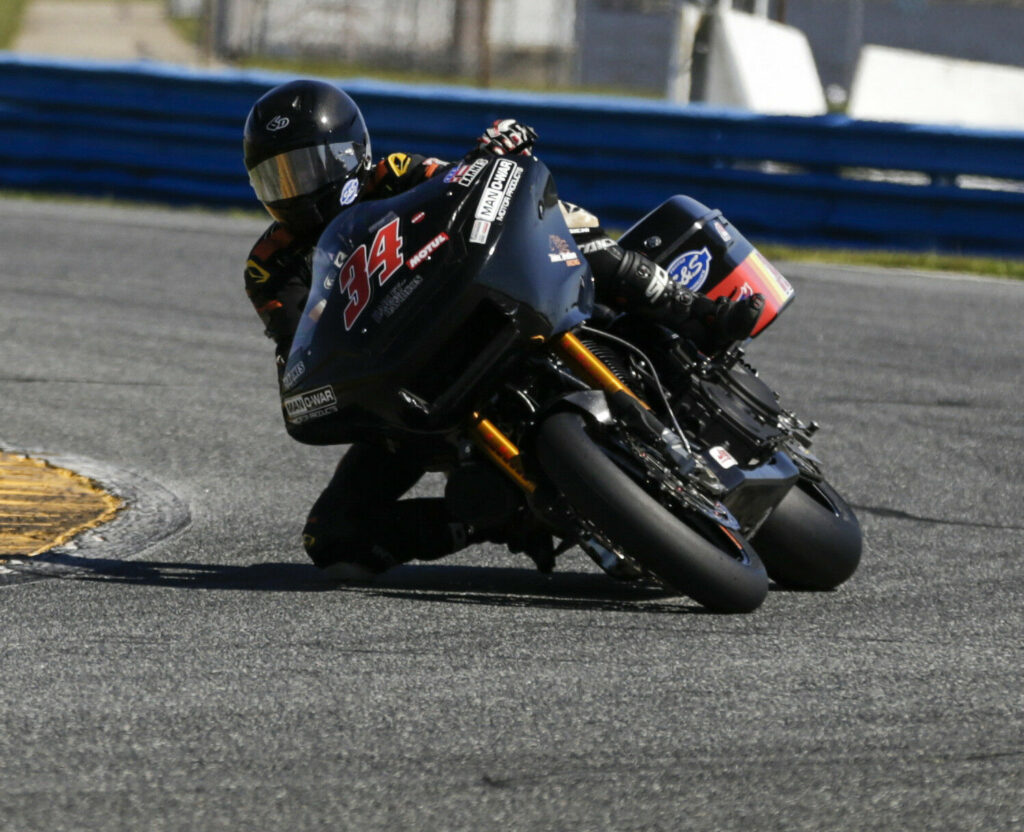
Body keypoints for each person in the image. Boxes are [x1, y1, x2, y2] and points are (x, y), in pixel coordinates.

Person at [242, 79, 764, 580]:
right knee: (329, 540)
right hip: (403, 367)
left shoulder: (396, 173)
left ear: (348, 154)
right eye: (277, 178)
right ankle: (499, 513)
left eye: (306, 169)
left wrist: (496, 151)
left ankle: (697, 311)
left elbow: (471, 190)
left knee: (575, 233)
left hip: (476, 298)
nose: (296, 190)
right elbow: (299, 347)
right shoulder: (270, 264)